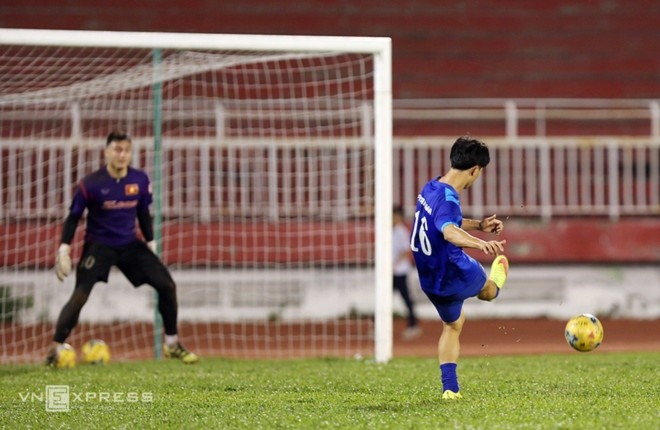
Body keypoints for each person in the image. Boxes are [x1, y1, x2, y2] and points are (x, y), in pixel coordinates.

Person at [47, 131, 199, 365]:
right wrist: (63, 249)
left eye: (126, 150)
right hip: (99, 246)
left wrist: (151, 244)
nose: (122, 155)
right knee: (80, 295)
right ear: (107, 152)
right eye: (117, 150)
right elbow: (73, 216)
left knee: (167, 285)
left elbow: (143, 213)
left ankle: (171, 345)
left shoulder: (139, 180)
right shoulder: (91, 184)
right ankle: (55, 350)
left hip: (130, 244)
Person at [410, 136, 508, 400]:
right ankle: (496, 283)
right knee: (487, 291)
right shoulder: (450, 199)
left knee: (453, 325)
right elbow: (450, 231)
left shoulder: (431, 188)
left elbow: (443, 221)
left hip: (429, 279)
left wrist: (479, 225)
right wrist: (480, 243)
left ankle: (450, 389)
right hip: (455, 269)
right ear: (475, 170)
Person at [392, 206, 421, 340]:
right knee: (387, 297)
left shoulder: (401, 231)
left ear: (399, 217)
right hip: (393, 271)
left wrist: (395, 265)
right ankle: (413, 325)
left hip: (399, 271)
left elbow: (406, 250)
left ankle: (413, 325)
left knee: (405, 298)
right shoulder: (393, 230)